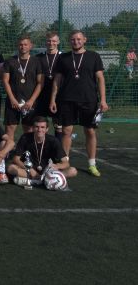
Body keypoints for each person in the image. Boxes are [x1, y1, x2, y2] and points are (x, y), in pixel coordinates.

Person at [50, 30, 109, 177]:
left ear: (84, 40)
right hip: (67, 100)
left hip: (89, 99)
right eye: (73, 39)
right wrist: (53, 99)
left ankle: (92, 164)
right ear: (70, 41)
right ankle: (65, 163)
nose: (76, 41)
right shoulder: (63, 57)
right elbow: (57, 80)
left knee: (90, 131)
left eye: (78, 39)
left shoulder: (93, 56)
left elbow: (100, 79)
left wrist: (103, 100)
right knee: (66, 131)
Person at [8, 116, 76, 187]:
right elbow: (16, 159)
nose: (39, 130)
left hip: (48, 172)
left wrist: (57, 166)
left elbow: (66, 163)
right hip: (29, 170)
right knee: (11, 168)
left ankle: (33, 181)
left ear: (47, 129)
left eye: (42, 127)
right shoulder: (25, 138)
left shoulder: (53, 141)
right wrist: (30, 170)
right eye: (37, 127)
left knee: (72, 171)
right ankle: (46, 181)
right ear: (33, 128)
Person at [2, 35, 44, 140]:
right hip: (13, 101)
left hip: (30, 101)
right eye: (21, 44)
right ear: (17, 46)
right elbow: (5, 81)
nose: (23, 47)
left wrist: (31, 100)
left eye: (25, 44)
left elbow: (40, 83)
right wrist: (12, 99)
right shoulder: (10, 61)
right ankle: (8, 149)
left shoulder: (37, 61)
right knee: (9, 129)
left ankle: (28, 149)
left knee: (29, 129)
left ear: (30, 46)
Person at [35, 31, 63, 139]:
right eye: (49, 41)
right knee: (41, 124)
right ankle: (42, 146)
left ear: (58, 42)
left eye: (54, 41)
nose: (51, 43)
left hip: (59, 96)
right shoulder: (38, 57)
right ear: (45, 42)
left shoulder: (64, 57)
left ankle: (58, 147)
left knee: (58, 125)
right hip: (41, 95)